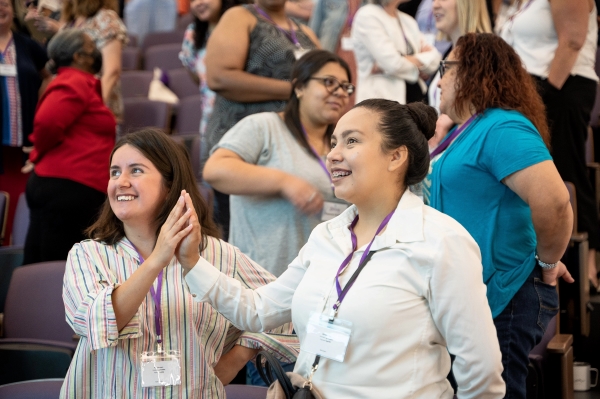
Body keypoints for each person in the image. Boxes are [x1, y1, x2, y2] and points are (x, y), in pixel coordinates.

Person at [183, 99, 506, 398]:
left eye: (351, 141)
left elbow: (482, 371)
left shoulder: (441, 240)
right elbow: (257, 309)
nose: (334, 153)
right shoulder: (328, 235)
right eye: (334, 142)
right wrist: (192, 261)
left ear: (396, 156)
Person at [60, 128, 298, 398]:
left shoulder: (217, 255)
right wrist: (157, 260)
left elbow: (290, 309)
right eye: (115, 172)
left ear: (170, 186)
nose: (120, 182)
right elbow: (96, 322)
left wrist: (234, 361)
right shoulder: (88, 255)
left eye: (135, 170)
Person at [427, 33, 574, 398]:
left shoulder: (502, 125)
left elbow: (555, 202)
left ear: (474, 71)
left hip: (506, 295)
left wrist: (548, 260)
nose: (440, 79)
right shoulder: (469, 130)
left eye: (447, 67)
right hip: (475, 291)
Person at [204, 50, 351, 277]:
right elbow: (215, 170)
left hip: (318, 281)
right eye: (329, 82)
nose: (340, 92)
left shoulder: (340, 146)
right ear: (299, 87)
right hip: (261, 279)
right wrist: (284, 182)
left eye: (345, 87)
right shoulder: (264, 126)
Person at [499, 0, 600, 292]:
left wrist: (543, 99)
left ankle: (586, 271)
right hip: (534, 92)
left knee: (567, 176)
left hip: (559, 90)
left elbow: (572, 41)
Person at [204, 0, 319, 238]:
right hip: (248, 149)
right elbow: (219, 77)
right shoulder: (240, 17)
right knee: (249, 238)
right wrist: (294, 90)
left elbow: (326, 77)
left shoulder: (304, 30)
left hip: (298, 148)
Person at [23, 29, 115, 265]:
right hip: (67, 190)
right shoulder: (73, 81)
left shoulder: (78, 82)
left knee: (45, 264)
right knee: (56, 269)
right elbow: (47, 122)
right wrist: (37, 153)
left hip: (69, 189)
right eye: (90, 47)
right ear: (78, 57)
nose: (96, 51)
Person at [0, 0, 48, 245]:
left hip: (24, 147)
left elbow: (49, 77)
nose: (1, 8)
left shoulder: (27, 45)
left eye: (5, 3)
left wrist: (42, 105)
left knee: (20, 205)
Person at [425, 0, 491, 150]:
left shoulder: (484, 55)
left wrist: (451, 115)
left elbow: (490, 105)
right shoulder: (450, 52)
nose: (435, 5)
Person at [351, 0, 441, 104]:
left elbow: (435, 58)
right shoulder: (367, 15)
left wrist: (386, 65)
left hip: (415, 100)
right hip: (380, 104)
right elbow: (394, 64)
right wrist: (420, 64)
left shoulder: (407, 20)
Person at [178, 0, 244, 137]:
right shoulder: (193, 33)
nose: (198, 3)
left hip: (244, 120)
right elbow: (198, 77)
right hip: (211, 123)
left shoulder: (243, 28)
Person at [62, 0, 127, 123]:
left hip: (93, 111)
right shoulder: (71, 21)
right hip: (69, 105)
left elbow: (112, 71)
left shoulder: (105, 18)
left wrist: (93, 108)